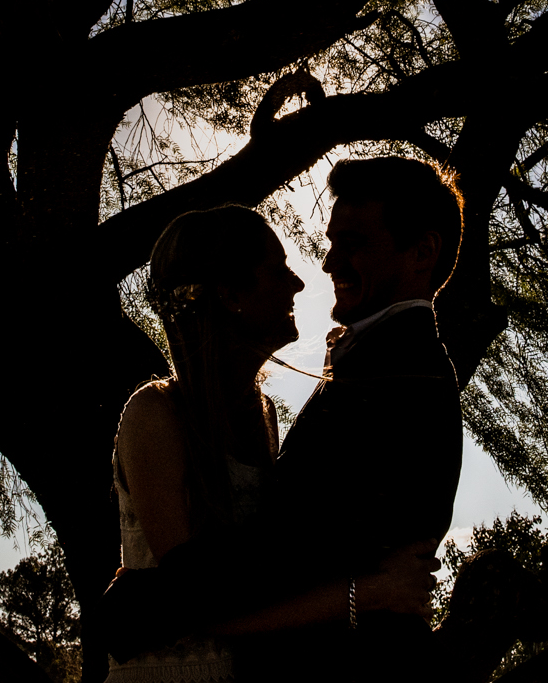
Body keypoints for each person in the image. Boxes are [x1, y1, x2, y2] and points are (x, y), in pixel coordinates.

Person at [104, 157, 467, 683]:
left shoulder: (402, 383)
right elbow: (273, 558)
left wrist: (140, 604)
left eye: (354, 242)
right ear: (228, 295)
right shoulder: (369, 374)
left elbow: (281, 561)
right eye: (332, 241)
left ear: (422, 252)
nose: (320, 268)